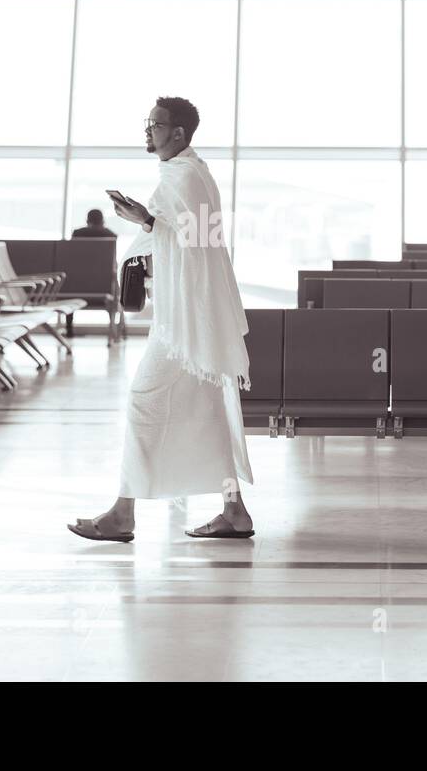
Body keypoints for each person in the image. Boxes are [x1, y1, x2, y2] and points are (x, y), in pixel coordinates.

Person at [69, 96, 255, 543]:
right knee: (209, 411)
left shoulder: (186, 176)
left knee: (142, 399)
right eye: (147, 123)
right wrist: (150, 222)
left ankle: (122, 515)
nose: (148, 131)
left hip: (184, 323)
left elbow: (192, 243)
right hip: (195, 314)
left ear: (179, 133)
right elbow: (197, 242)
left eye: (156, 124)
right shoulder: (193, 173)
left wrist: (148, 221)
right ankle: (234, 511)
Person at [64, 210, 117, 336]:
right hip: (104, 292)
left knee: (72, 280)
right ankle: (113, 331)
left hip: (77, 291)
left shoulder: (77, 234)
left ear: (87, 221)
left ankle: (69, 329)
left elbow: (72, 260)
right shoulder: (110, 235)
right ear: (103, 221)